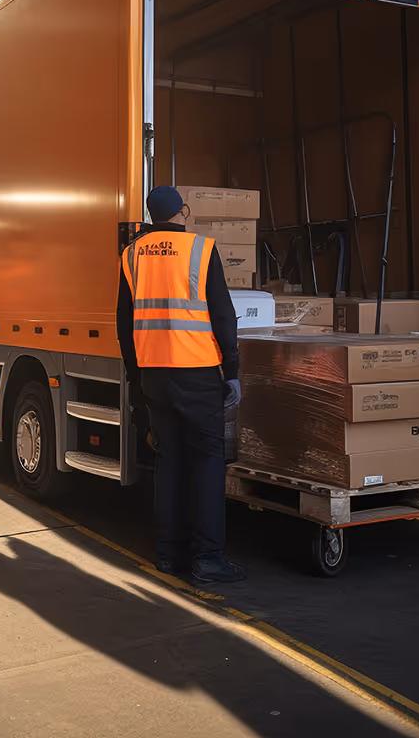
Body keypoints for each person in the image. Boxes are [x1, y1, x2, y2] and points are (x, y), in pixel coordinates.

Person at [117, 185, 246, 584]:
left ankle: (168, 554)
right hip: (198, 371)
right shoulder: (201, 250)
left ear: (151, 215)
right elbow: (223, 316)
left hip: (155, 374)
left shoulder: (132, 255)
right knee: (207, 462)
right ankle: (207, 558)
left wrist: (136, 376)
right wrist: (233, 368)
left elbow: (124, 324)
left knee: (169, 462)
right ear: (183, 212)